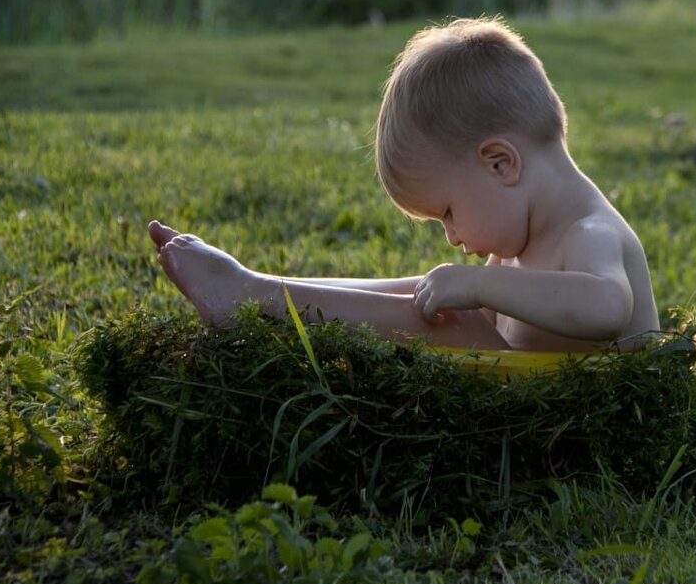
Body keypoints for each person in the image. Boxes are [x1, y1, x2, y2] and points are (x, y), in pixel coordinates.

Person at [148, 17, 659, 352]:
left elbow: (608, 307)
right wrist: (469, 285)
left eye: (448, 212)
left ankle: (254, 298)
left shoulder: (588, 232)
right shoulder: (520, 240)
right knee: (432, 294)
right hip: (536, 407)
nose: (453, 236)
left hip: (584, 433)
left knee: (453, 319)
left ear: (501, 164)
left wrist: (478, 283)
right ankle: (264, 290)